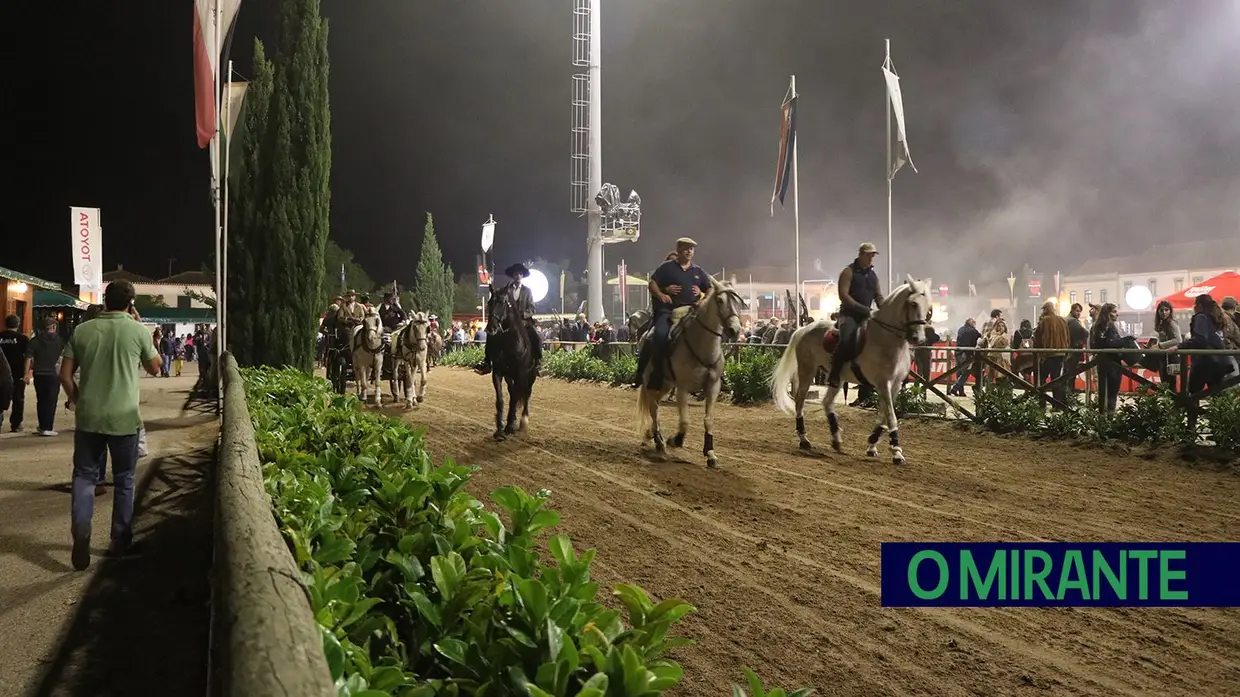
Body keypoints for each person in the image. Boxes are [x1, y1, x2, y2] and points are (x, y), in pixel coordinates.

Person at [59, 280, 162, 570]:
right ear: (130, 304)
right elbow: (156, 368)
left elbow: (65, 375)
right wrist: (147, 335)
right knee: (125, 480)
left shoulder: (83, 330)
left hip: (89, 418)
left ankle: (81, 533)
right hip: (124, 419)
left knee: (84, 477)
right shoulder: (136, 330)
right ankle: (119, 541)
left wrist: (77, 399)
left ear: (105, 300)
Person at [635, 237, 711, 390]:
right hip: (667, 312)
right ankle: (656, 374)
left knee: (710, 334)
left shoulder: (698, 271)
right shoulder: (666, 268)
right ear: (679, 249)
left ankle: (714, 374)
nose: (689, 251)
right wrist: (661, 294)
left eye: (692, 248)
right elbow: (652, 283)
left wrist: (704, 298)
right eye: (686, 248)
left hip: (691, 312)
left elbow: (709, 288)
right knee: (660, 335)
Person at [826, 242, 885, 389]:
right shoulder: (848, 271)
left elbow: (878, 296)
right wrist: (864, 309)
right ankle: (834, 374)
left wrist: (885, 309)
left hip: (867, 316)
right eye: (869, 255)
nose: (871, 258)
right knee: (846, 341)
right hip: (849, 315)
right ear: (861, 254)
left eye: (873, 255)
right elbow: (844, 296)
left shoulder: (873, 276)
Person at [475, 263, 543, 376]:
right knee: (491, 334)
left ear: (522, 276)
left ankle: (538, 362)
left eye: (520, 273)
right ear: (513, 275)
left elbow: (532, 308)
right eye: (516, 273)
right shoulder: (505, 290)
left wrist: (523, 315)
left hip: (523, 321)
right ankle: (487, 362)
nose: (518, 275)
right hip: (507, 321)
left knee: (537, 336)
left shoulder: (527, 291)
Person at [26, 317, 66, 435]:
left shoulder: (35, 341)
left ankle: (42, 426)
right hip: (54, 374)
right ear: (54, 327)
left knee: (41, 400)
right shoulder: (60, 341)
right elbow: (65, 357)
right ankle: (48, 427)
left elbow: (28, 358)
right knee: (51, 400)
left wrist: (26, 374)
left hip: (39, 374)